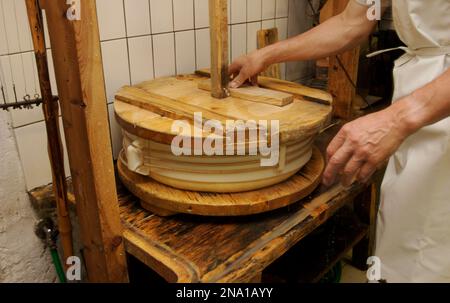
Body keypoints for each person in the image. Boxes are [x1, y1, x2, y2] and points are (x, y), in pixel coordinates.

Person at [229, 0, 450, 282]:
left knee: (434, 253)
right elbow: (352, 22)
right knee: (406, 242)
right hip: (416, 100)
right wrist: (265, 55)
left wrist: (396, 119)